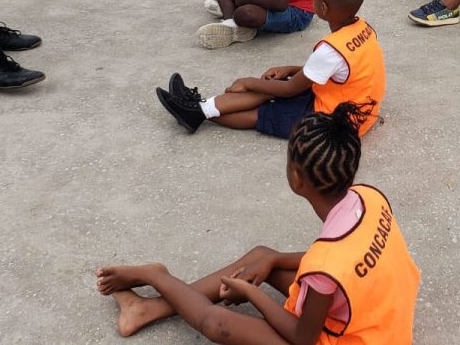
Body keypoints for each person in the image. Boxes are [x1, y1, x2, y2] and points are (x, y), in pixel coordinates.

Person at [95, 103, 420, 342]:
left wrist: (253, 295)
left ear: (296, 177)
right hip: (375, 313)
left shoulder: (325, 264)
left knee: (218, 323)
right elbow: (339, 263)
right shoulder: (370, 197)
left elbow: (303, 337)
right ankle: (147, 310)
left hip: (342, 337)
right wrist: (273, 259)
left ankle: (156, 277)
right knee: (263, 256)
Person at [156, 0, 385, 138]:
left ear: (323, 8)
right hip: (353, 107)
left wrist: (249, 82)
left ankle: (196, 113)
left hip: (334, 122)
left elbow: (288, 90)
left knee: (265, 111)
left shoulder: (330, 49)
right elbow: (339, 70)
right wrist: (290, 70)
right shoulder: (362, 28)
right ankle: (201, 105)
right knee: (270, 89)